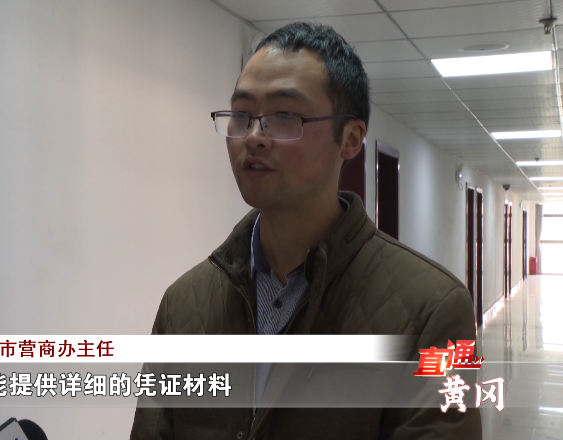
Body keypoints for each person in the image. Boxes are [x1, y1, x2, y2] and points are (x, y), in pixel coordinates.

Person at [130, 22, 481, 439]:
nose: (254, 137)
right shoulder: (184, 304)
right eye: (242, 115)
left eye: (284, 116)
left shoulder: (431, 311)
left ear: (350, 139)